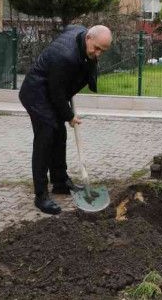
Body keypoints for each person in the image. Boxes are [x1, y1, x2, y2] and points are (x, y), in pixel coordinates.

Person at [19, 24, 112, 215]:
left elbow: (69, 27)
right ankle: (41, 195)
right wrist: (69, 115)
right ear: (88, 38)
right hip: (36, 92)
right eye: (96, 48)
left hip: (52, 88)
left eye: (103, 50)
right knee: (46, 138)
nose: (98, 54)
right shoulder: (65, 57)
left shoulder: (80, 33)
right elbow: (56, 93)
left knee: (59, 134)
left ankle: (60, 182)